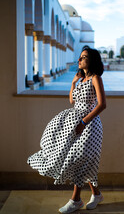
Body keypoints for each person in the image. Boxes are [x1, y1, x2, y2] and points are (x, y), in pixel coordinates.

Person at [27, 47, 106, 213]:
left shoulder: (95, 78)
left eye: (84, 57)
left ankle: (75, 199)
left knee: (78, 158)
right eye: (80, 57)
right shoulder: (82, 80)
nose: (80, 60)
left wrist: (83, 123)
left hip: (90, 125)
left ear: (91, 60)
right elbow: (72, 100)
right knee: (84, 159)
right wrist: (73, 82)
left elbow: (102, 105)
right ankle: (96, 194)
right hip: (75, 123)